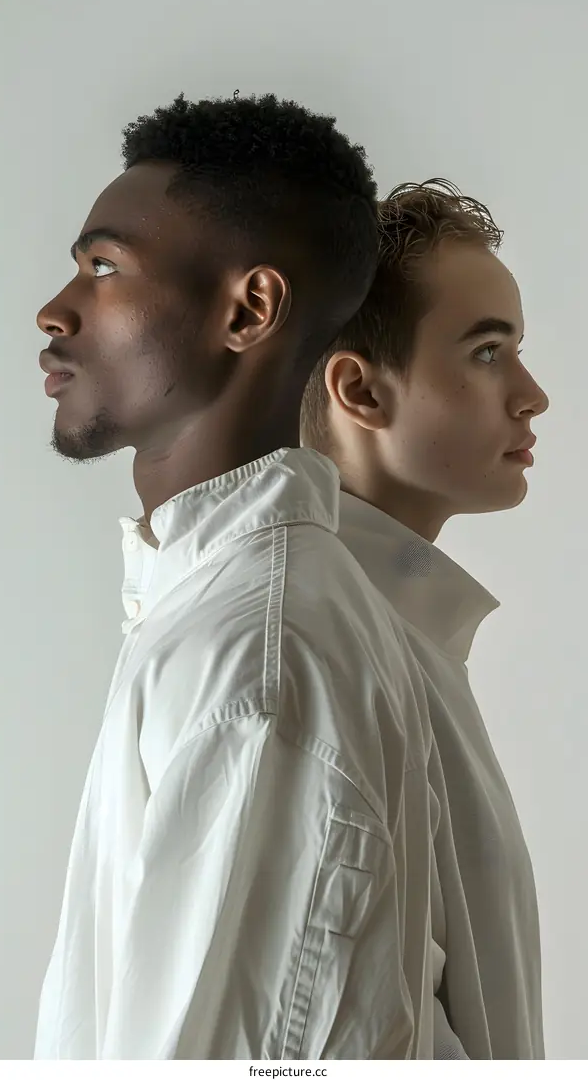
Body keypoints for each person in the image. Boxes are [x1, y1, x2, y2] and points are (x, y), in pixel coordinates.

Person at [34, 94, 441, 1060]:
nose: (54, 309)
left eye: (103, 267)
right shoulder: (232, 613)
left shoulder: (256, 654)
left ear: (249, 309)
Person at [300, 179, 550, 1059]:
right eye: (487, 352)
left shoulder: (405, 640)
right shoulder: (324, 654)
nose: (532, 394)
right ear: (360, 391)